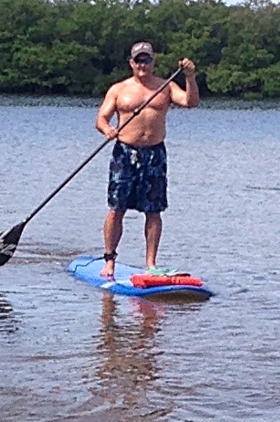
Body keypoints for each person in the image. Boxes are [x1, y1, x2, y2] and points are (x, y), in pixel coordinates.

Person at [95, 41, 199, 277]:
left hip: (154, 154)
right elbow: (101, 118)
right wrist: (107, 130)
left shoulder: (166, 86)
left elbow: (191, 102)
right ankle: (109, 260)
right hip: (125, 152)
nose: (143, 64)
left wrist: (190, 77)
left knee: (153, 210)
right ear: (131, 63)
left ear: (153, 62)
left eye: (147, 60)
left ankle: (150, 264)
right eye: (138, 60)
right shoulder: (119, 89)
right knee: (116, 208)